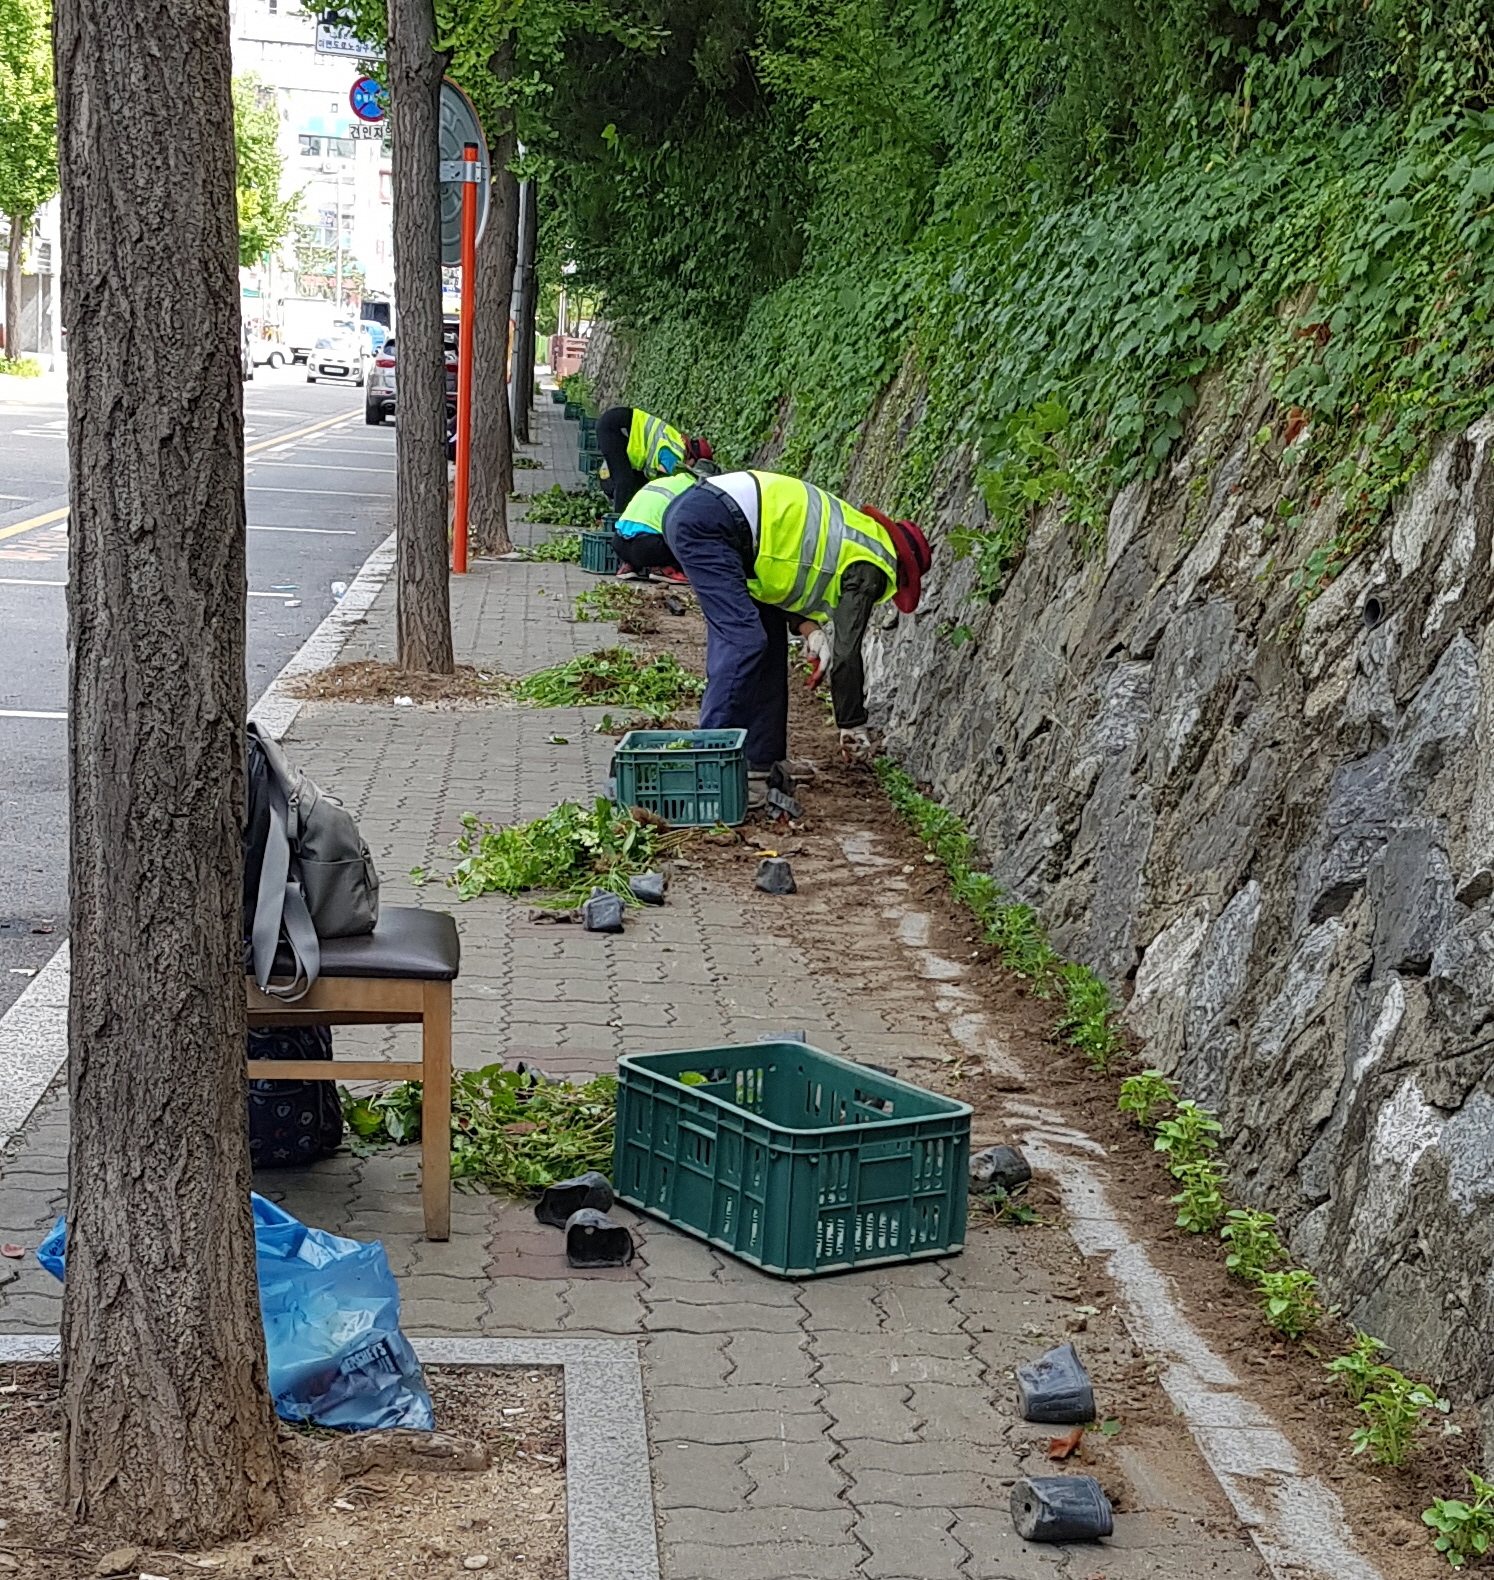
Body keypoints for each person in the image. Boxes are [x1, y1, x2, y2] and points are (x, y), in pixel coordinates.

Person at [611, 469, 931, 787]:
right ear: (904, 570)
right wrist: (852, 723)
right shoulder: (873, 565)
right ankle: (708, 768)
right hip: (714, 524)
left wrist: (810, 630)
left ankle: (761, 760)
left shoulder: (852, 534)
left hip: (714, 518)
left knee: (769, 641)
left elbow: (784, 571)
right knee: (743, 640)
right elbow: (847, 653)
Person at [595, 405, 714, 516]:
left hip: (617, 423)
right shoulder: (676, 454)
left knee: (633, 482)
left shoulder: (676, 441)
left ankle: (620, 514)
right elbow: (662, 479)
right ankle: (617, 525)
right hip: (617, 428)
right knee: (624, 481)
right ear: (692, 458)